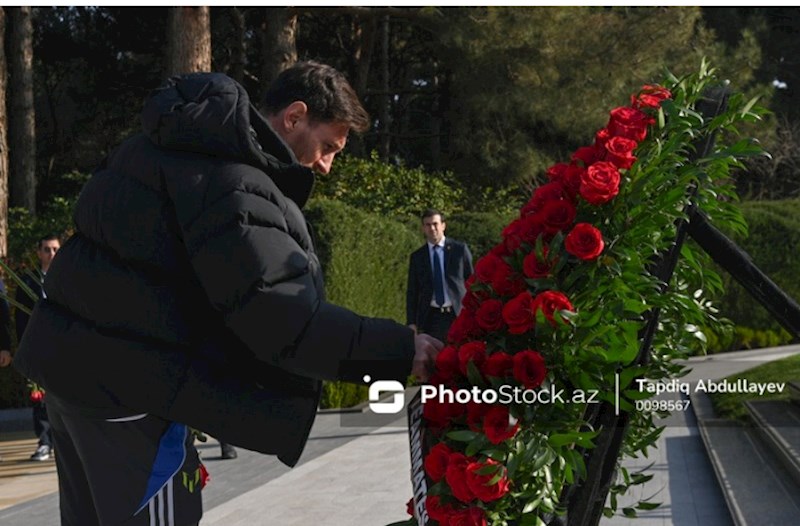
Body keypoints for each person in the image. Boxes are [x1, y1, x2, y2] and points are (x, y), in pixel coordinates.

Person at [13, 61, 441, 525]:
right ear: (294, 117)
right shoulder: (235, 185)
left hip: (72, 381)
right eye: (328, 147)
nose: (327, 166)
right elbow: (284, 319)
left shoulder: (154, 146)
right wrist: (400, 350)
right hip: (133, 399)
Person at [15, 235, 60, 462]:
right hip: (38, 348)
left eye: (55, 249)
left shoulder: (70, 279)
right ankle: (44, 441)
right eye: (47, 250)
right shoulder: (28, 282)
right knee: (40, 398)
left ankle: (64, 442)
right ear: (39, 253)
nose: (51, 254)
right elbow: (21, 319)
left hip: (65, 349)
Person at [406, 208, 474, 342]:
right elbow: (412, 292)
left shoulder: (459, 250)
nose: (432, 228)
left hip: (457, 314)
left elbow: (472, 282)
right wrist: (411, 322)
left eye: (435, 224)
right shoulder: (418, 257)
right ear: (423, 228)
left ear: (443, 225)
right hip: (432, 319)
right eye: (428, 225)